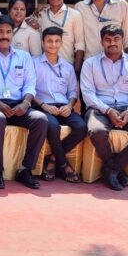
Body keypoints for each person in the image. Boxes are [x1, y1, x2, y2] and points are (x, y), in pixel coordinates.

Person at [0, 15, 48, 190]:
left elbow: (30, 85)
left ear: (13, 34)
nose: (4, 36)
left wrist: (26, 103)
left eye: (8, 32)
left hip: (18, 104)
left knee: (40, 119)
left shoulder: (24, 57)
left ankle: (26, 170)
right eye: (0, 32)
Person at [80, 24, 128, 191]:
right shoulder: (90, 63)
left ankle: (112, 168)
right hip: (99, 108)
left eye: (116, 39)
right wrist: (108, 111)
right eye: (108, 40)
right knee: (96, 131)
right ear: (101, 42)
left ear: (123, 41)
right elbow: (87, 94)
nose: (112, 43)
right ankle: (116, 169)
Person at [33, 27, 85, 182]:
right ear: (43, 42)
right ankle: (64, 165)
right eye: (49, 41)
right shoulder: (33, 63)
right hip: (42, 106)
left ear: (61, 43)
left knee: (82, 127)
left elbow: (73, 92)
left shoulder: (67, 67)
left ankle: (53, 159)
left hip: (63, 106)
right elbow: (29, 90)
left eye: (57, 41)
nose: (53, 44)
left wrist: (69, 106)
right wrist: (44, 106)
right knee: (53, 126)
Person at [34, 0, 85, 70]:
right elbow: (25, 21)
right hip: (44, 68)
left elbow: (80, 45)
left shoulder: (75, 15)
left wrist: (76, 71)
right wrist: (33, 15)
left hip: (67, 68)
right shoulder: (41, 14)